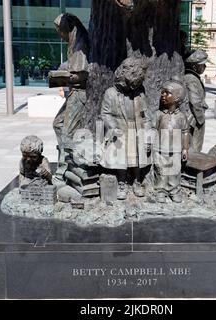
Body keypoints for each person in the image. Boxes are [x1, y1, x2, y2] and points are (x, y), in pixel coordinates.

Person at [100, 56, 152, 200]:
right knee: (121, 159)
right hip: (120, 130)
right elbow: (105, 114)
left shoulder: (139, 93)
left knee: (136, 158)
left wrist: (148, 137)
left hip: (136, 129)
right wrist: (112, 127)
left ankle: (137, 181)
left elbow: (146, 115)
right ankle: (122, 183)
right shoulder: (110, 93)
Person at [52, 13, 89, 181]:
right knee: (58, 124)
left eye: (61, 31)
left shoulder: (81, 45)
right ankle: (66, 164)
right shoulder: (73, 44)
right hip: (74, 93)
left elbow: (81, 76)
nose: (60, 35)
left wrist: (61, 78)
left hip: (80, 95)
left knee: (67, 130)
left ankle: (69, 169)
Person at [153, 80, 190, 203]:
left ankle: (174, 190)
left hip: (175, 150)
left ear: (177, 98)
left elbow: (185, 132)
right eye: (162, 93)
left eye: (167, 93)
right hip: (160, 149)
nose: (163, 95)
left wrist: (185, 149)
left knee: (174, 171)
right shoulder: (158, 114)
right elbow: (153, 129)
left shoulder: (181, 117)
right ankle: (161, 191)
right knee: (161, 171)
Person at [184, 50, 209, 152]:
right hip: (194, 118)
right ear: (194, 66)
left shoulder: (193, 77)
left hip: (196, 117)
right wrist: (201, 119)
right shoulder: (191, 78)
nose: (205, 67)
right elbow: (195, 101)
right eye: (202, 64)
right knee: (195, 145)